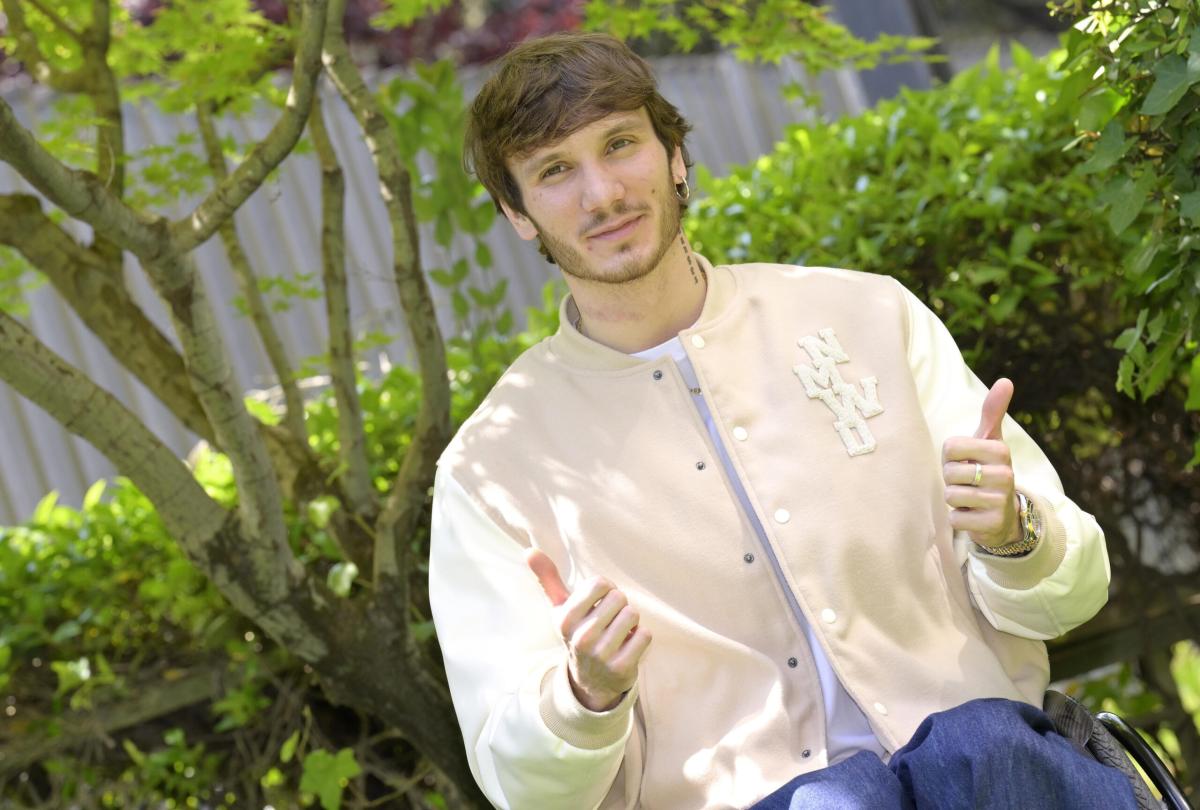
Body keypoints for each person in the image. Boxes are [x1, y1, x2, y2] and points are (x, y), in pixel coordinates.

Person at [428, 31, 1132, 810]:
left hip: (997, 775)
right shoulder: (492, 466)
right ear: (517, 213)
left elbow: (1074, 596)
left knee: (983, 745)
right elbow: (523, 789)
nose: (602, 195)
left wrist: (1015, 537)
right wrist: (583, 697)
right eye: (555, 171)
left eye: (620, 144)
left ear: (675, 156)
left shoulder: (868, 314)